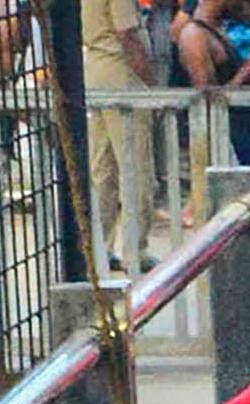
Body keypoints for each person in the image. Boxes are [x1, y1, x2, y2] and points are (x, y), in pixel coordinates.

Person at [82, 0, 161, 273]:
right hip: (121, 72)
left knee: (102, 167)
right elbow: (126, 33)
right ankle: (133, 250)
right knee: (135, 165)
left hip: (95, 69)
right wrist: (150, 85)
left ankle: (99, 247)